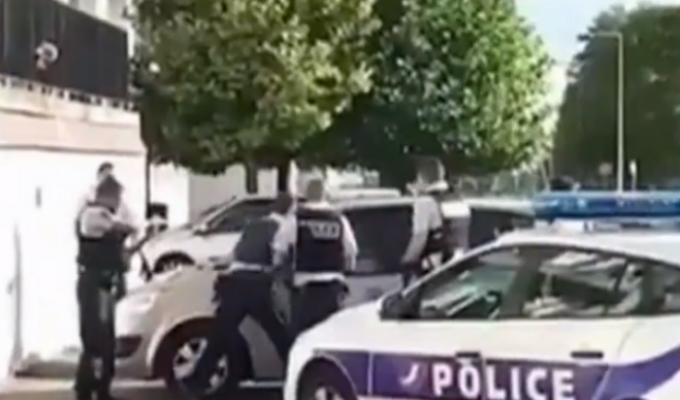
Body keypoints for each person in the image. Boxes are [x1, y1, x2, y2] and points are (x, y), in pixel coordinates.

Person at [186, 193, 295, 398]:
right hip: (256, 283)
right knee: (278, 332)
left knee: (220, 332)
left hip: (234, 282)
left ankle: (198, 378)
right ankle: (294, 372)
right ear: (290, 209)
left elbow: (235, 254)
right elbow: (278, 257)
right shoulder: (283, 227)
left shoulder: (254, 224)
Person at [74, 176, 136, 400]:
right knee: (95, 339)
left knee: (106, 340)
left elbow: (119, 238)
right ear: (107, 195)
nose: (119, 202)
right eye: (117, 197)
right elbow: (121, 227)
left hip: (105, 282)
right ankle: (86, 389)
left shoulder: (104, 214)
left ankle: (101, 389)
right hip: (94, 283)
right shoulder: (93, 214)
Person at [273, 178, 358, 334]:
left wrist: (280, 271)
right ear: (324, 194)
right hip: (332, 286)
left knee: (304, 335)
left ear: (306, 195)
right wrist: (346, 272)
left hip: (305, 288)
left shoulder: (297, 218)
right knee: (332, 333)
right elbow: (351, 251)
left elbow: (280, 248)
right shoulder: (338, 218)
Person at [403, 157, 470, 282]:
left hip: (435, 272)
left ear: (421, 178)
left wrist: (406, 262)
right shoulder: (460, 199)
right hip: (460, 268)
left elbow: (419, 238)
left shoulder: (425, 202)